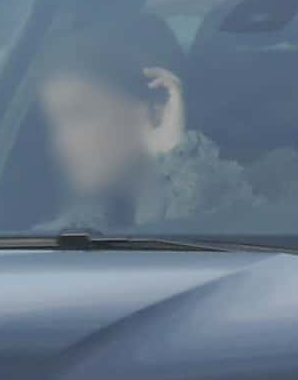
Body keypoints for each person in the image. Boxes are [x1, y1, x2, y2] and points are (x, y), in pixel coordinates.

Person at [38, 15, 264, 229]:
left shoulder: (261, 203)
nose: (60, 142)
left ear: (160, 111)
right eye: (54, 122)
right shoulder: (62, 239)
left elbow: (221, 237)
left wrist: (179, 154)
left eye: (80, 114)